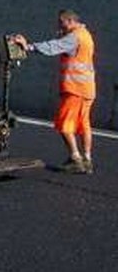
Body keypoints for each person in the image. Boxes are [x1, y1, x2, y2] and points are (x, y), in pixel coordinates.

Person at [13, 10, 96, 174]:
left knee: (64, 125)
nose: (59, 25)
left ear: (70, 21)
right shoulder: (86, 35)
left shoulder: (74, 37)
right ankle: (87, 159)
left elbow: (53, 47)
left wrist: (28, 46)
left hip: (74, 89)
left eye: (61, 22)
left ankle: (75, 158)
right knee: (84, 125)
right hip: (87, 89)